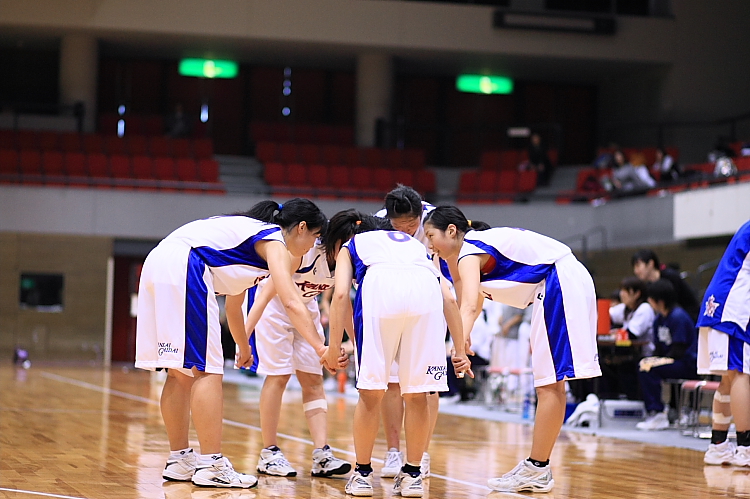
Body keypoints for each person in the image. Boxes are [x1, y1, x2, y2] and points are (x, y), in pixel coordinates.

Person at [134, 198, 331, 489]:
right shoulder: (274, 239)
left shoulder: (250, 242)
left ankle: (180, 458)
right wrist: (320, 347)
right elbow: (290, 300)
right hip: (185, 264)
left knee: (180, 371)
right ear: (301, 228)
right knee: (207, 371)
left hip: (158, 263)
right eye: (315, 236)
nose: (312, 245)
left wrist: (244, 345)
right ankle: (212, 463)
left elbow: (234, 307)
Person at [423, 206, 601, 494]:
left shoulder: (468, 251)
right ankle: (538, 467)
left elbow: (467, 305)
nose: (429, 244)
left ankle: (538, 468)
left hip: (559, 282)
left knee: (549, 383)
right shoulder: (474, 252)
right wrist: (463, 340)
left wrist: (458, 347)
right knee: (548, 383)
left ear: (452, 231)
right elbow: (475, 302)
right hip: (557, 283)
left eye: (431, 235)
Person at [322, 210, 470, 498]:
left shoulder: (351, 247)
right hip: (424, 299)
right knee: (417, 395)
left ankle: (363, 475)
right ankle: (413, 474)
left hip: (381, 293)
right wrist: (460, 349)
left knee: (370, 393)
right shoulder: (413, 244)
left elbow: (340, 296)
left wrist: (332, 348)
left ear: (342, 238)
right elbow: (449, 297)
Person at [237, 211, 351, 478]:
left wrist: (355, 342)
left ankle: (322, 454)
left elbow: (342, 305)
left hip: (305, 309)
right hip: (276, 310)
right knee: (278, 377)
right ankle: (269, 452)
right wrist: (243, 339)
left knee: (314, 381)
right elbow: (265, 295)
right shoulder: (305, 251)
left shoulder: (348, 262)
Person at [373, 185, 439, 478]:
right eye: (399, 228)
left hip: (431, 305)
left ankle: (420, 453)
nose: (407, 233)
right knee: (391, 382)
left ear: (421, 215)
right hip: (389, 305)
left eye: (412, 227)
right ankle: (392, 452)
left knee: (427, 384)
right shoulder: (375, 225)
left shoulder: (438, 220)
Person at [695, 219, 750, 467]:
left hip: (718, 304)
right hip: (732, 308)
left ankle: (718, 446)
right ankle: (746, 448)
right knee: (740, 375)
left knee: (728, 378)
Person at [636, 279, 698, 431]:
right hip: (672, 360)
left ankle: (657, 413)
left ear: (660, 301)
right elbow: (658, 348)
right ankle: (654, 411)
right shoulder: (659, 319)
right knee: (644, 365)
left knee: (649, 369)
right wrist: (652, 359)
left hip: (687, 363)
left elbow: (679, 350)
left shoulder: (678, 317)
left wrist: (657, 362)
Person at [631, 249, 701, 321]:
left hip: (689, 318)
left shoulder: (671, 277)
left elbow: (674, 305)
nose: (636, 271)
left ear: (650, 263)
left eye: (638, 266)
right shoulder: (648, 285)